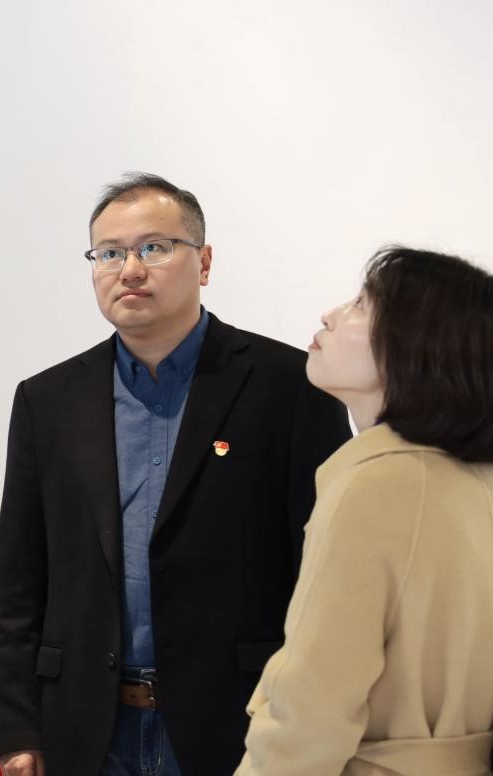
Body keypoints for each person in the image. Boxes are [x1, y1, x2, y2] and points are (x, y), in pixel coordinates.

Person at [0, 173, 352, 775]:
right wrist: (17, 729)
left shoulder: (290, 386)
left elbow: (328, 572)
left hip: (241, 724)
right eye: (109, 253)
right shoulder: (48, 400)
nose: (129, 270)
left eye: (153, 247)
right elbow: (19, 578)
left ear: (203, 263)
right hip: (87, 729)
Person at [235, 247, 493, 775]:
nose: (331, 314)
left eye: (360, 305)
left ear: (414, 343)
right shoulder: (473, 478)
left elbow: (312, 705)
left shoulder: (374, 483)